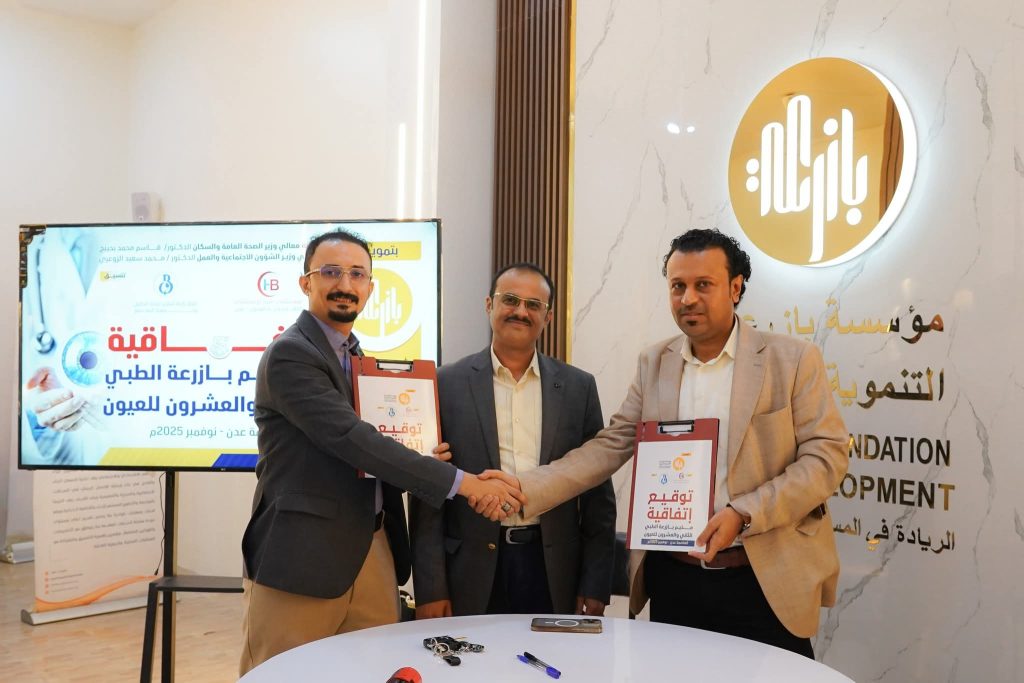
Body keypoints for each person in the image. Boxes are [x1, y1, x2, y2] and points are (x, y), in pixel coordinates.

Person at [478, 229, 848, 657]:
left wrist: (744, 513)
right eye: (677, 286)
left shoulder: (793, 359)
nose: (688, 298)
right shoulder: (655, 362)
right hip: (675, 578)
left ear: (735, 287)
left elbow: (826, 458)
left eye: (703, 285)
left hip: (763, 578)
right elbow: (609, 446)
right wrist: (522, 487)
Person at [239, 230, 524, 675]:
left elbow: (376, 448)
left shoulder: (358, 358)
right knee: (286, 674)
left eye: (357, 274)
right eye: (330, 272)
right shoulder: (290, 354)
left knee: (374, 673)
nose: (345, 284)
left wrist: (422, 452)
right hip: (303, 557)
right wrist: (464, 483)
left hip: (373, 549)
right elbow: (353, 440)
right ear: (305, 283)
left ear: (370, 288)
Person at [410, 263, 615, 618]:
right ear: (489, 304)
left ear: (547, 317)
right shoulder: (445, 383)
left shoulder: (578, 388)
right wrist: (431, 587)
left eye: (533, 305)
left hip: (554, 569)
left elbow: (598, 492)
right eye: (510, 300)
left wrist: (595, 582)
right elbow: (429, 495)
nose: (520, 311)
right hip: (469, 570)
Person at [21, 228, 106, 466]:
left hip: (137, 472)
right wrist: (38, 418)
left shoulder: (153, 246)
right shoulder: (30, 252)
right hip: (62, 479)